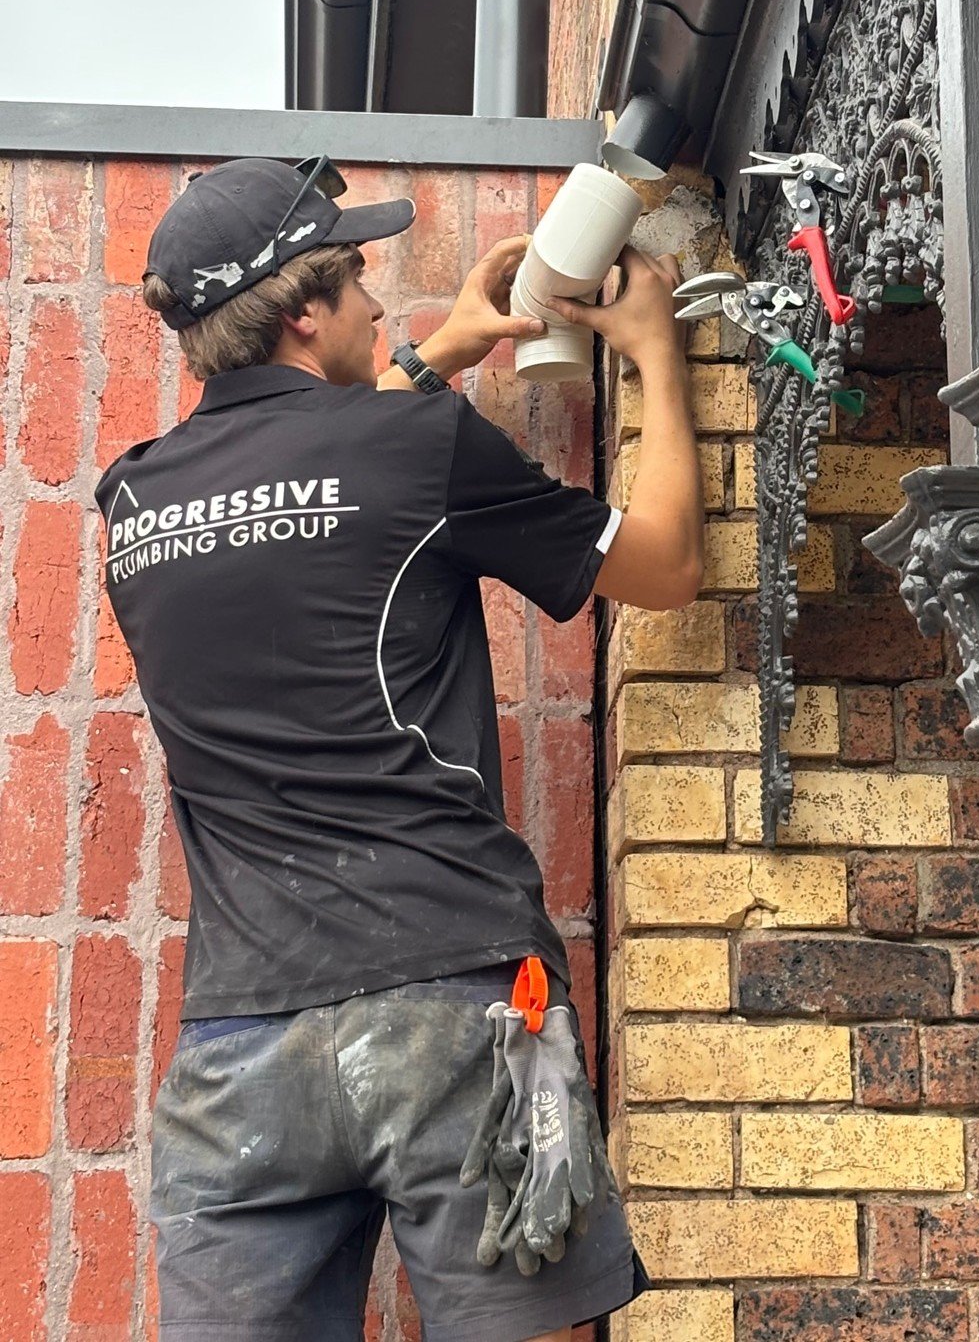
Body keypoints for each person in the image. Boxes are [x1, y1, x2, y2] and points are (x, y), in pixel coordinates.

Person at [95, 154, 704, 1342]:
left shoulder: (133, 504)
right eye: (361, 280)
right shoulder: (417, 448)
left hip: (240, 1047)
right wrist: (658, 359)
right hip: (451, 1001)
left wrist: (441, 357)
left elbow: (310, 496)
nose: (383, 309)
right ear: (306, 312)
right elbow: (668, 564)